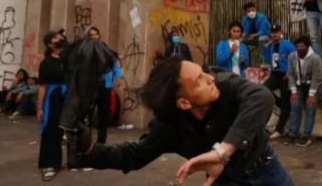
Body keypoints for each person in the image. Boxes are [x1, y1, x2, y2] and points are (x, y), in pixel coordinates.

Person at [77, 57, 295, 185]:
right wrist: (88, 151)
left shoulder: (225, 85)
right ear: (183, 103)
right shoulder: (169, 127)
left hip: (266, 169)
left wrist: (222, 153)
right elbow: (133, 155)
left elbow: (262, 97)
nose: (210, 78)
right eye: (199, 80)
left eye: (204, 73)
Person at [37, 31, 68, 181]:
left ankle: (61, 162)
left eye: (60, 37)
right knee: (50, 129)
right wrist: (40, 108)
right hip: (53, 96)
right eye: (56, 38)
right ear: (50, 44)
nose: (60, 39)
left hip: (67, 96)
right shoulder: (46, 62)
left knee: (63, 129)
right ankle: (48, 164)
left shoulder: (67, 59)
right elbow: (42, 86)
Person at [87, 27, 123, 144]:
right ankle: (86, 142)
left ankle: (101, 142)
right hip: (91, 86)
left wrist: (118, 77)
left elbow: (113, 62)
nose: (94, 37)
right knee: (88, 115)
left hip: (105, 86)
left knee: (104, 115)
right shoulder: (84, 49)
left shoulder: (104, 47)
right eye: (91, 35)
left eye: (96, 34)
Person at [287, 36, 322, 147]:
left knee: (310, 109)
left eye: (302, 46)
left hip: (311, 86)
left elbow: (317, 77)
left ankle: (306, 136)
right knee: (294, 107)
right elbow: (290, 74)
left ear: (308, 47)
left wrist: (312, 94)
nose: (299, 49)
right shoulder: (292, 57)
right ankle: (292, 134)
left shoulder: (315, 58)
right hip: (298, 86)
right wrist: (293, 91)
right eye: (298, 46)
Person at [262, 24, 296, 140]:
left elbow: (295, 59)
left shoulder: (287, 44)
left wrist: (290, 73)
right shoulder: (271, 45)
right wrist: (265, 47)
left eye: (277, 32)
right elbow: (268, 58)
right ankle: (280, 104)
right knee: (263, 90)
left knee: (286, 103)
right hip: (275, 74)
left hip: (285, 75)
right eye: (273, 32)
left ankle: (279, 130)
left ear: (281, 32)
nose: (275, 34)